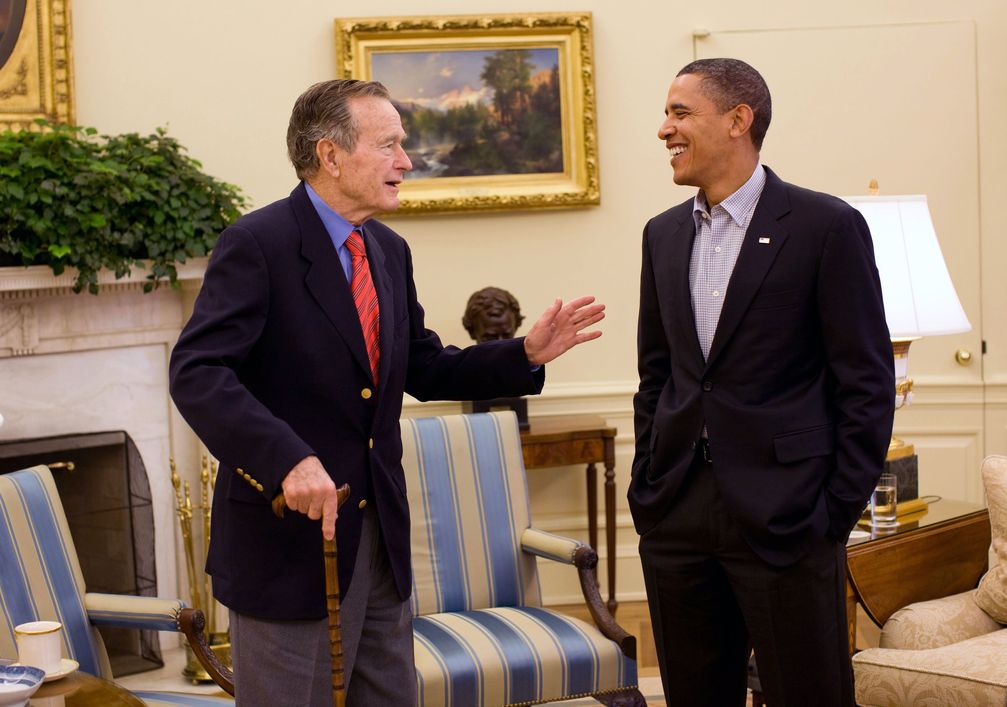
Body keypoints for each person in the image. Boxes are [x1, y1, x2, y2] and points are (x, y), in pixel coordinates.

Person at [169, 78, 605, 706]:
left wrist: (525, 354)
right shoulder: (257, 244)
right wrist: (286, 459)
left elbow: (423, 367)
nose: (407, 161)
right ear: (331, 155)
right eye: (390, 145)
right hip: (289, 544)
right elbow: (198, 371)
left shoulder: (387, 249)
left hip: (379, 542)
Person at [628, 58, 894, 706]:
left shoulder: (824, 226)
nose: (663, 128)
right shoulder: (661, 236)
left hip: (788, 516)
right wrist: (647, 487)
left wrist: (830, 513)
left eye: (679, 112)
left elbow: (864, 380)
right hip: (677, 517)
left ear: (738, 120)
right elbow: (656, 375)